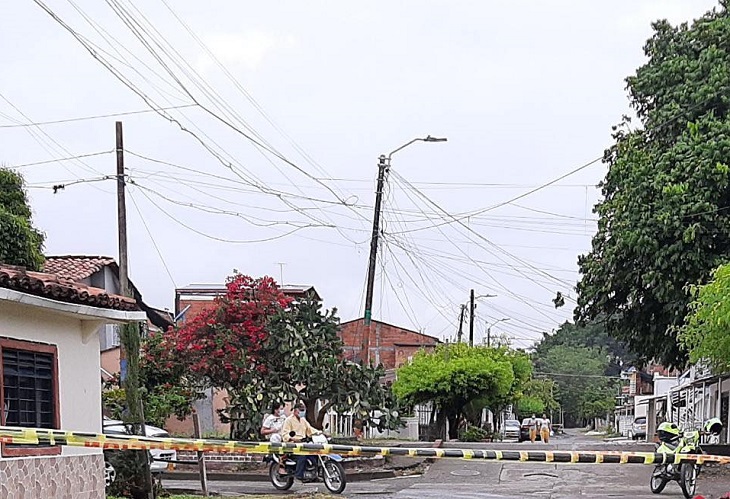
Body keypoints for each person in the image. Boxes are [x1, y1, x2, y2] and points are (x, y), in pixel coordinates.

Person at [281, 403, 318, 481]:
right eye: (300, 410)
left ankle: (314, 474)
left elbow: (310, 430)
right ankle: (299, 475)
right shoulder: (288, 420)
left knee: (314, 455)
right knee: (302, 456)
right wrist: (293, 439)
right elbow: (285, 435)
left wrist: (320, 433)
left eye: (303, 410)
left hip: (303, 444)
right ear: (295, 410)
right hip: (292, 446)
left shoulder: (303, 420)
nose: (302, 412)